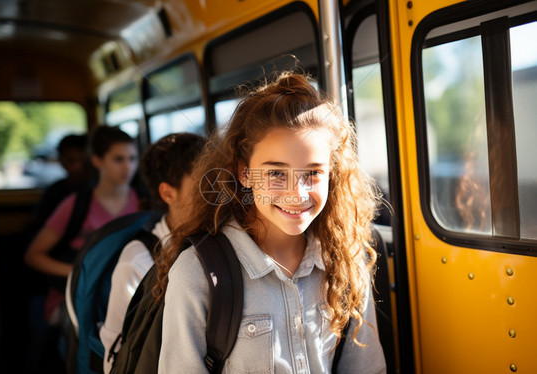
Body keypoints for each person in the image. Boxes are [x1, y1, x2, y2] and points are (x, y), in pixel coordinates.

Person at [156, 71, 387, 373]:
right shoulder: (197, 273)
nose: (297, 193)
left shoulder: (346, 260)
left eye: (313, 173)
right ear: (244, 173)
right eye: (277, 173)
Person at [24, 125, 140, 369]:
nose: (127, 167)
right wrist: (79, 273)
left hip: (127, 293)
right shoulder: (76, 204)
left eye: (132, 158)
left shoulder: (143, 200)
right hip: (78, 296)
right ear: (97, 161)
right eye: (118, 159)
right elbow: (33, 256)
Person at [99, 132, 205, 373]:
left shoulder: (220, 243)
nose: (216, 196)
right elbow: (116, 355)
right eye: (202, 186)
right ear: (168, 193)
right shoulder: (138, 260)